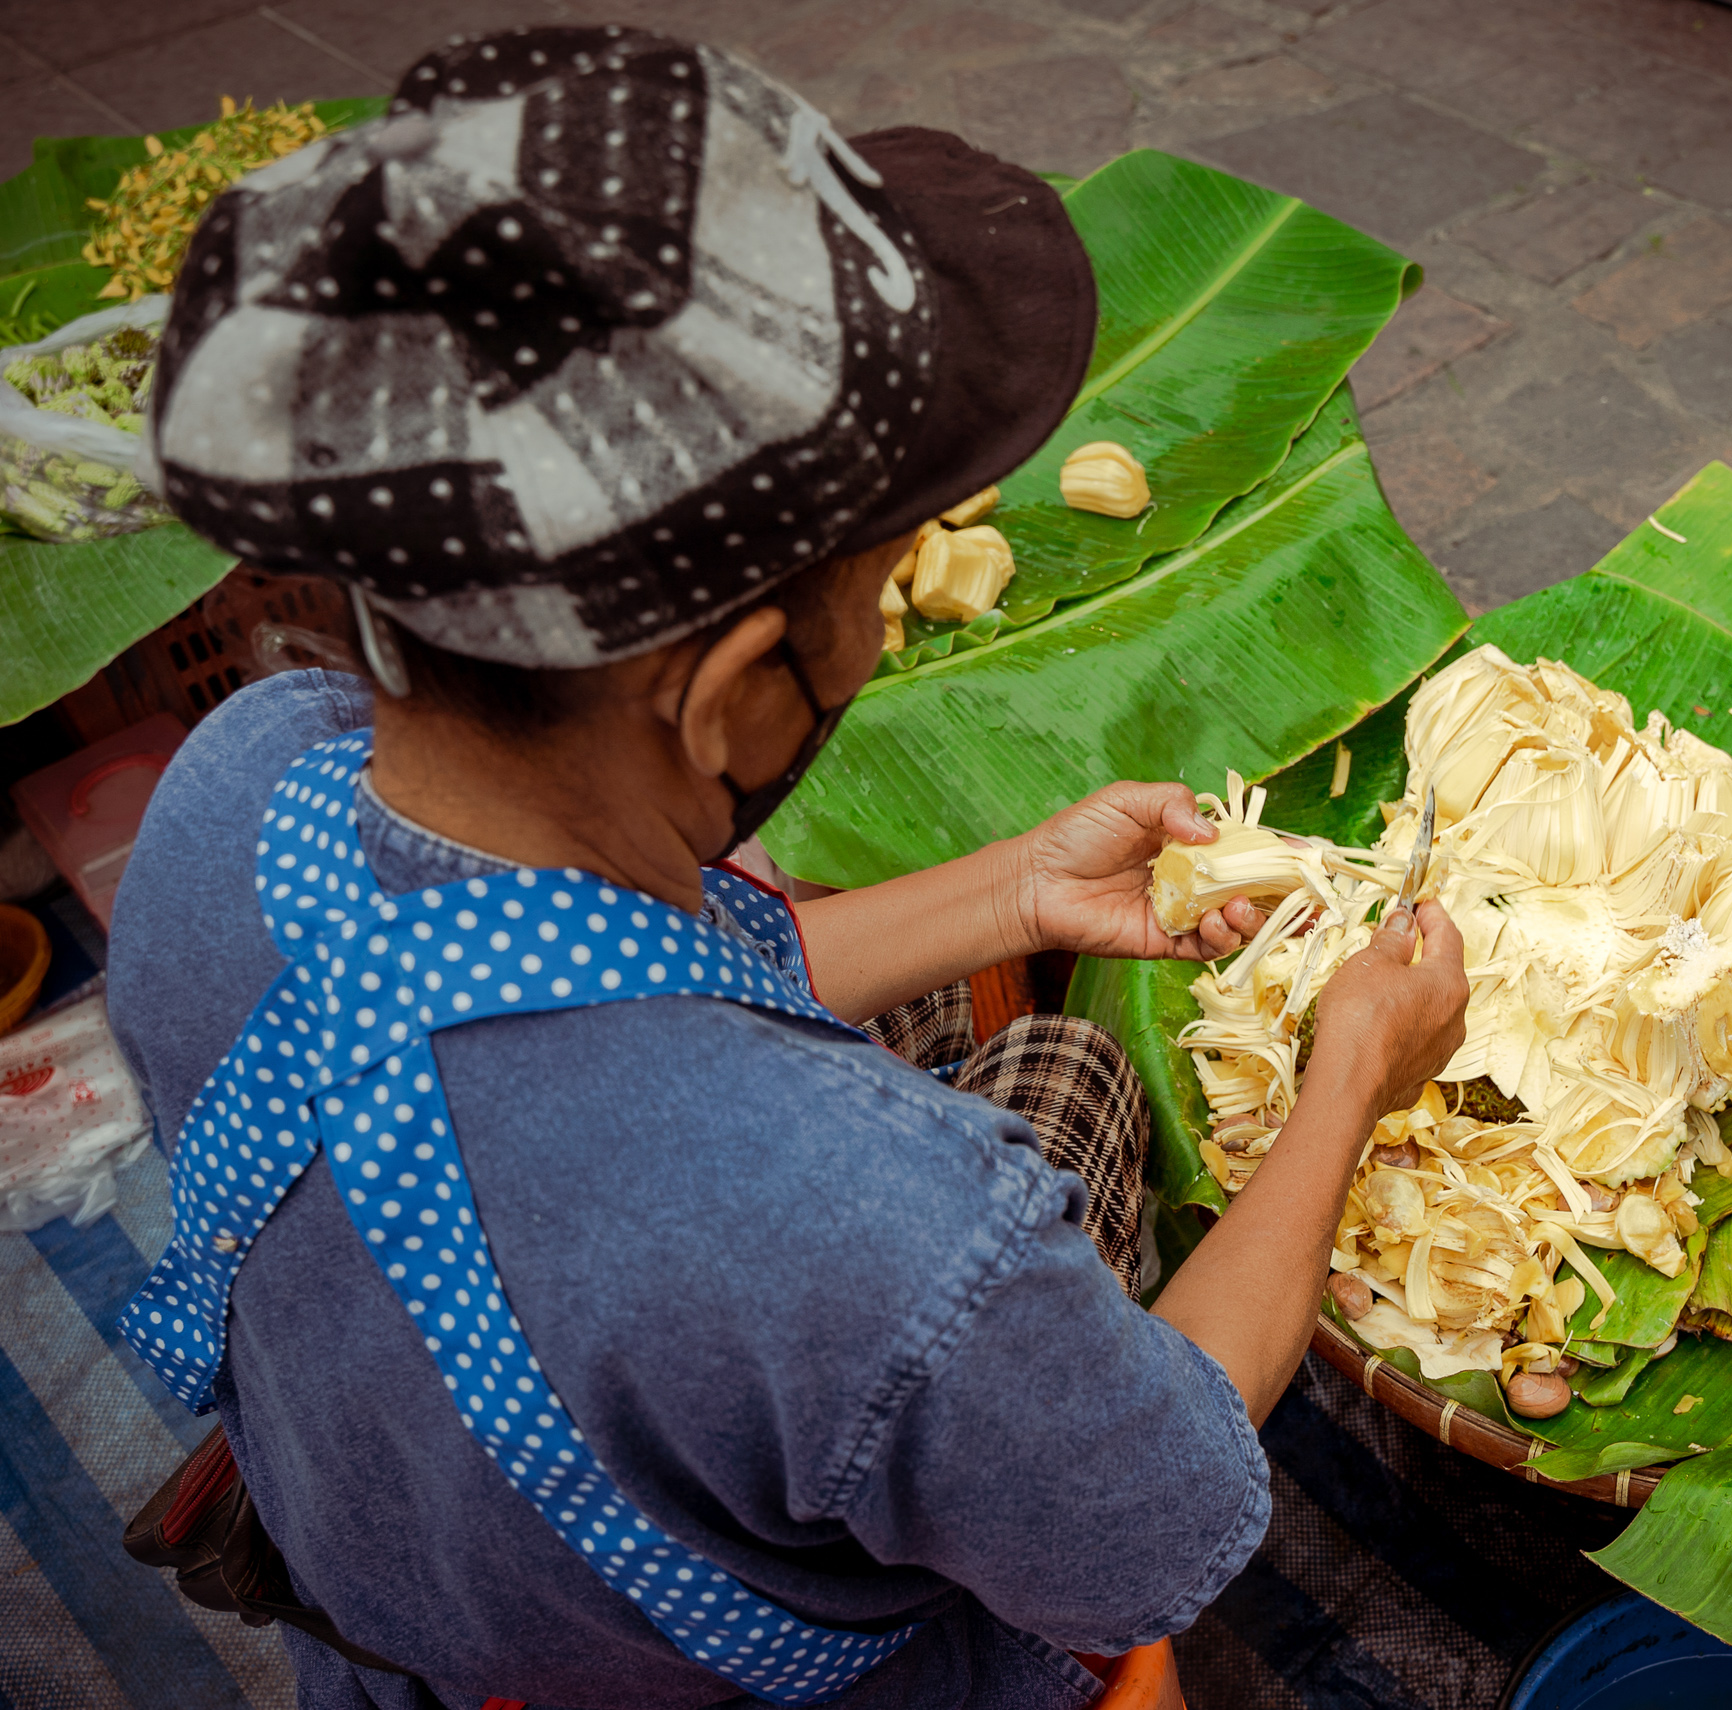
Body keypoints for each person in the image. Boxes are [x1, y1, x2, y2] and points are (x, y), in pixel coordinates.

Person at [106, 26, 1468, 1710]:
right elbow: (1165, 1488)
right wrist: (1347, 1071)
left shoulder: (235, 782)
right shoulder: (891, 1235)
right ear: (735, 690)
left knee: (1055, 1061)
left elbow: (533, 1002)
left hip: (418, 1612)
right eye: (881, 590)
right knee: (1057, 1158)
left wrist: (1020, 889)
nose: (885, 628)